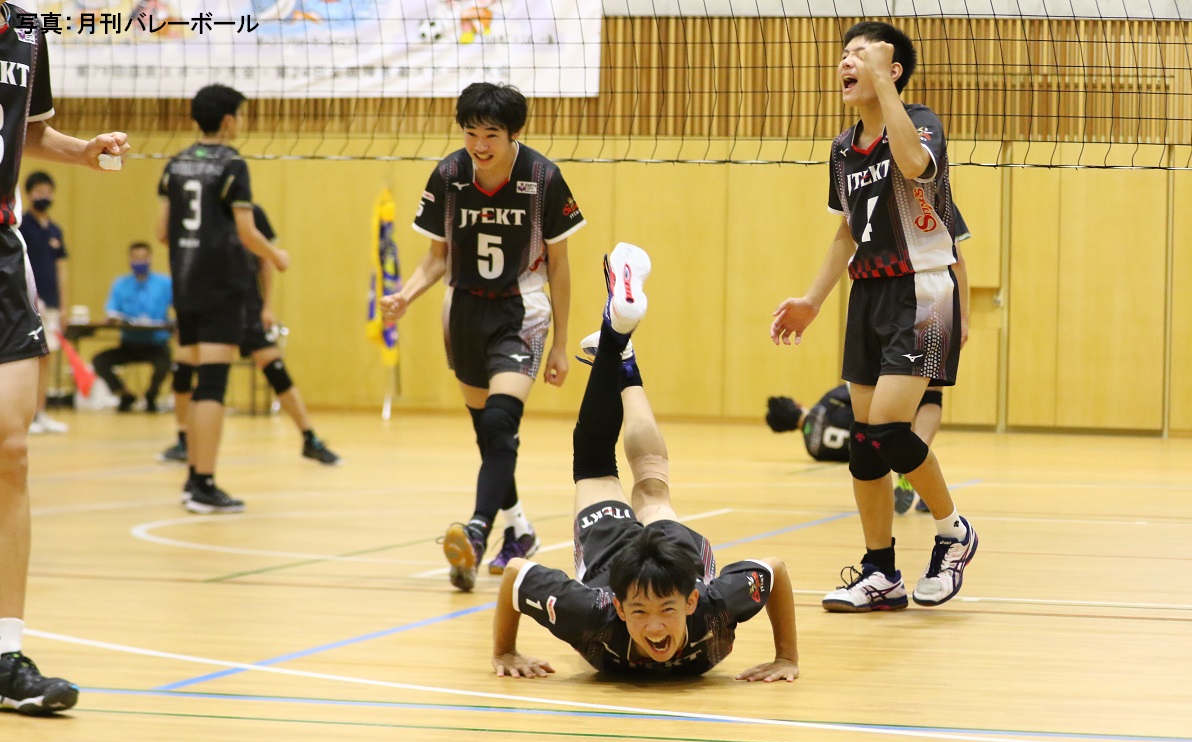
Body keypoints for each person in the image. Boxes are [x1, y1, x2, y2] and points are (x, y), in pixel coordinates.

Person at [492, 243, 798, 680]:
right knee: (648, 486)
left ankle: (620, 345)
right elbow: (774, 571)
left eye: (667, 609)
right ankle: (618, 344)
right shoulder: (700, 606)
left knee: (597, 465)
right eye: (639, 611)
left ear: (691, 601)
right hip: (669, 553)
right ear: (619, 607)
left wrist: (787, 658)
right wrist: (504, 652)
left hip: (613, 553)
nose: (654, 627)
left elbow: (516, 574)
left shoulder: (590, 612)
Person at [769, 21, 979, 613]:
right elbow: (846, 230)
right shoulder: (843, 149)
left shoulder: (921, 121)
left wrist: (886, 86)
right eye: (844, 54)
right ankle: (881, 572)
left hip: (924, 290)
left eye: (860, 54)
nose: (846, 62)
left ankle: (954, 532)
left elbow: (913, 165)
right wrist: (813, 300)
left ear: (891, 69)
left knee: (888, 428)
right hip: (867, 294)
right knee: (864, 444)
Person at [381, 82, 584, 591]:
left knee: (499, 420)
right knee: (489, 435)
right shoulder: (450, 175)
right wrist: (406, 296)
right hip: (465, 312)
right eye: (471, 133)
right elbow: (437, 256)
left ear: (513, 133)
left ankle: (476, 531)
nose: (479, 145)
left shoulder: (543, 177)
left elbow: (560, 266)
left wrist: (561, 343)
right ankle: (520, 531)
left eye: (491, 134)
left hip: (522, 312)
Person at [0, 5, 130, 714]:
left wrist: (81, 152)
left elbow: (27, 131)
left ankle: (5, 655)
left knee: (12, 451)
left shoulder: (26, 30)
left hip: (1, 252)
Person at [157, 84, 289, 514]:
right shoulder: (232, 164)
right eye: (242, 115)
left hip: (185, 284)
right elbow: (248, 233)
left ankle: (194, 479)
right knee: (213, 384)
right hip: (221, 286)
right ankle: (203, 483)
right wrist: (276, 256)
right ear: (230, 119)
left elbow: (161, 232)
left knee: (201, 381)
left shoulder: (175, 163)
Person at [160, 203, 339, 465]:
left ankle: (309, 438)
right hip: (207, 305)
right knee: (184, 369)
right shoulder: (199, 211)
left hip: (247, 305)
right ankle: (183, 438)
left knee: (275, 368)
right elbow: (174, 248)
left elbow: (264, 260)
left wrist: (267, 305)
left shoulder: (251, 212)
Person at [893, 203, 972, 514]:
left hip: (891, 304)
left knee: (905, 391)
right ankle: (916, 466)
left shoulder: (877, 193)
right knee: (931, 392)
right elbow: (958, 261)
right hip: (935, 303)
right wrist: (963, 317)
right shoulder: (940, 198)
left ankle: (910, 466)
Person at [92, 242, 173, 413]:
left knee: (165, 362)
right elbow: (112, 311)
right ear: (129, 259)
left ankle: (151, 395)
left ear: (150, 259)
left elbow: (179, 307)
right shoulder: (120, 284)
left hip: (156, 345)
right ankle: (125, 394)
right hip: (128, 345)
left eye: (143, 258)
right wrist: (113, 319)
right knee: (99, 360)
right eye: (136, 258)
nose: (140, 262)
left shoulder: (165, 284)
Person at [18, 171, 69, 434]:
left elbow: (61, 269)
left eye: (48, 191)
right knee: (28, 360)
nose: (44, 196)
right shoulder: (21, 227)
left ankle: (41, 413)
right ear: (28, 194)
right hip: (27, 302)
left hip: (51, 305)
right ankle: (25, 416)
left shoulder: (55, 230)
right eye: (39, 191)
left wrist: (64, 306)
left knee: (46, 358)